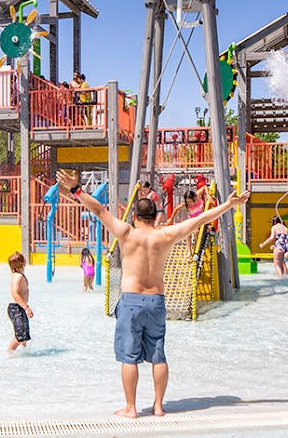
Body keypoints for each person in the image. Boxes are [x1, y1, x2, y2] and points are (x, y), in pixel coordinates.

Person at [57, 169, 250, 419]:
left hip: (131, 302)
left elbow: (98, 210)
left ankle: (131, 408)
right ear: (154, 216)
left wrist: (76, 190)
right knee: (158, 356)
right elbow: (200, 220)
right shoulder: (166, 235)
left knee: (129, 357)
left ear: (135, 216)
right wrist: (227, 205)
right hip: (157, 302)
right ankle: (159, 406)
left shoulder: (127, 234)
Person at [6, 252, 33, 353]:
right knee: (20, 336)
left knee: (24, 334)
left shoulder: (17, 275)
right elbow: (15, 293)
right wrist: (26, 308)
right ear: (23, 262)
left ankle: (23, 353)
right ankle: (8, 354)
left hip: (18, 308)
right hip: (16, 308)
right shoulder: (18, 276)